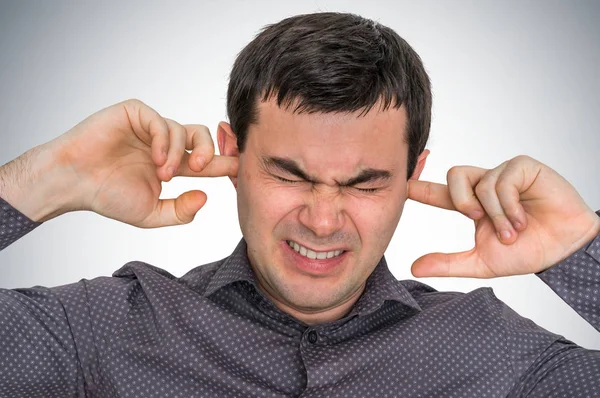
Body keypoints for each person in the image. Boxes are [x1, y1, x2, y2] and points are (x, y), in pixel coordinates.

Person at [0, 11, 598, 398]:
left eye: (364, 184)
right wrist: (43, 180)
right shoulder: (106, 329)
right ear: (232, 154)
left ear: (414, 174)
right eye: (289, 175)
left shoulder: (489, 348)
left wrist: (579, 250)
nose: (321, 219)